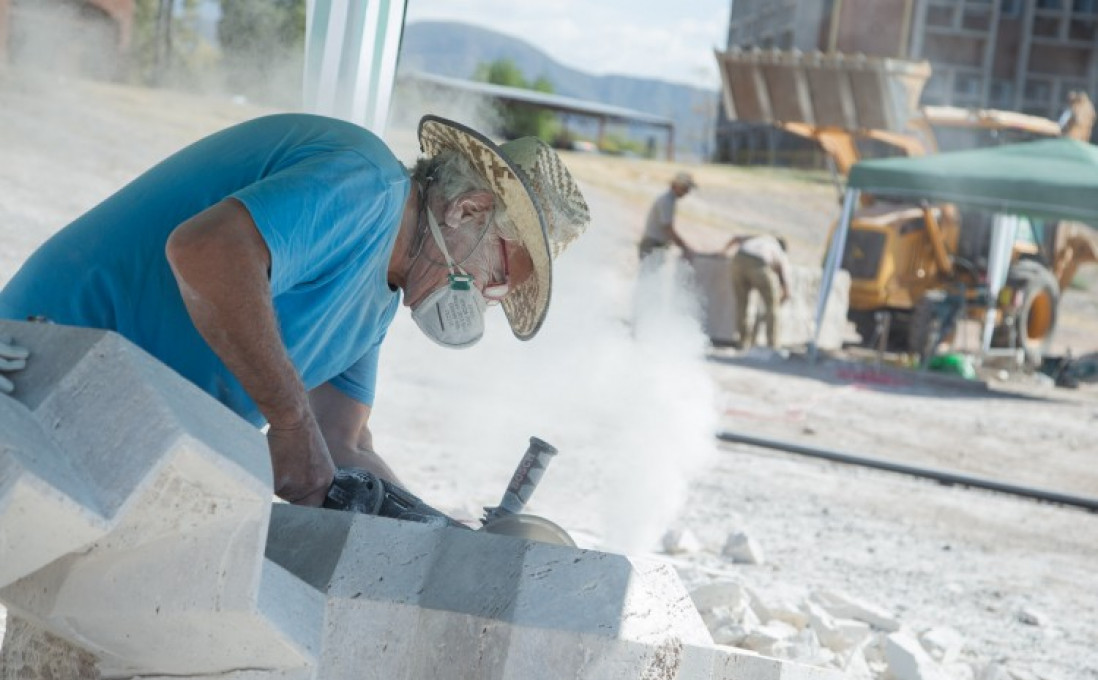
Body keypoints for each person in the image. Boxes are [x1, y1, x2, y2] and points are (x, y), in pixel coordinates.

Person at [0, 113, 590, 507]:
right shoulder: (367, 186)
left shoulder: (379, 301)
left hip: (108, 418)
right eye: (498, 276)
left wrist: (444, 538)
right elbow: (205, 252)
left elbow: (341, 444)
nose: (487, 297)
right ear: (468, 210)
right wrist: (289, 420)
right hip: (39, 366)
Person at [724, 234, 792, 349]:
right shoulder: (778, 249)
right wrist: (783, 295)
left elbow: (735, 238)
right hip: (759, 263)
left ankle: (743, 342)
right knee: (772, 307)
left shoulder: (759, 238)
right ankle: (772, 345)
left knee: (742, 305)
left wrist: (723, 252)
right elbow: (784, 279)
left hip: (738, 259)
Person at [638, 171, 696, 264]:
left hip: (658, 244)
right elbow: (667, 228)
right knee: (649, 275)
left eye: (687, 189)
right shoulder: (666, 201)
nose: (686, 192)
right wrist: (684, 248)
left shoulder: (670, 200)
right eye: (684, 188)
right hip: (653, 244)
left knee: (653, 275)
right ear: (675, 185)